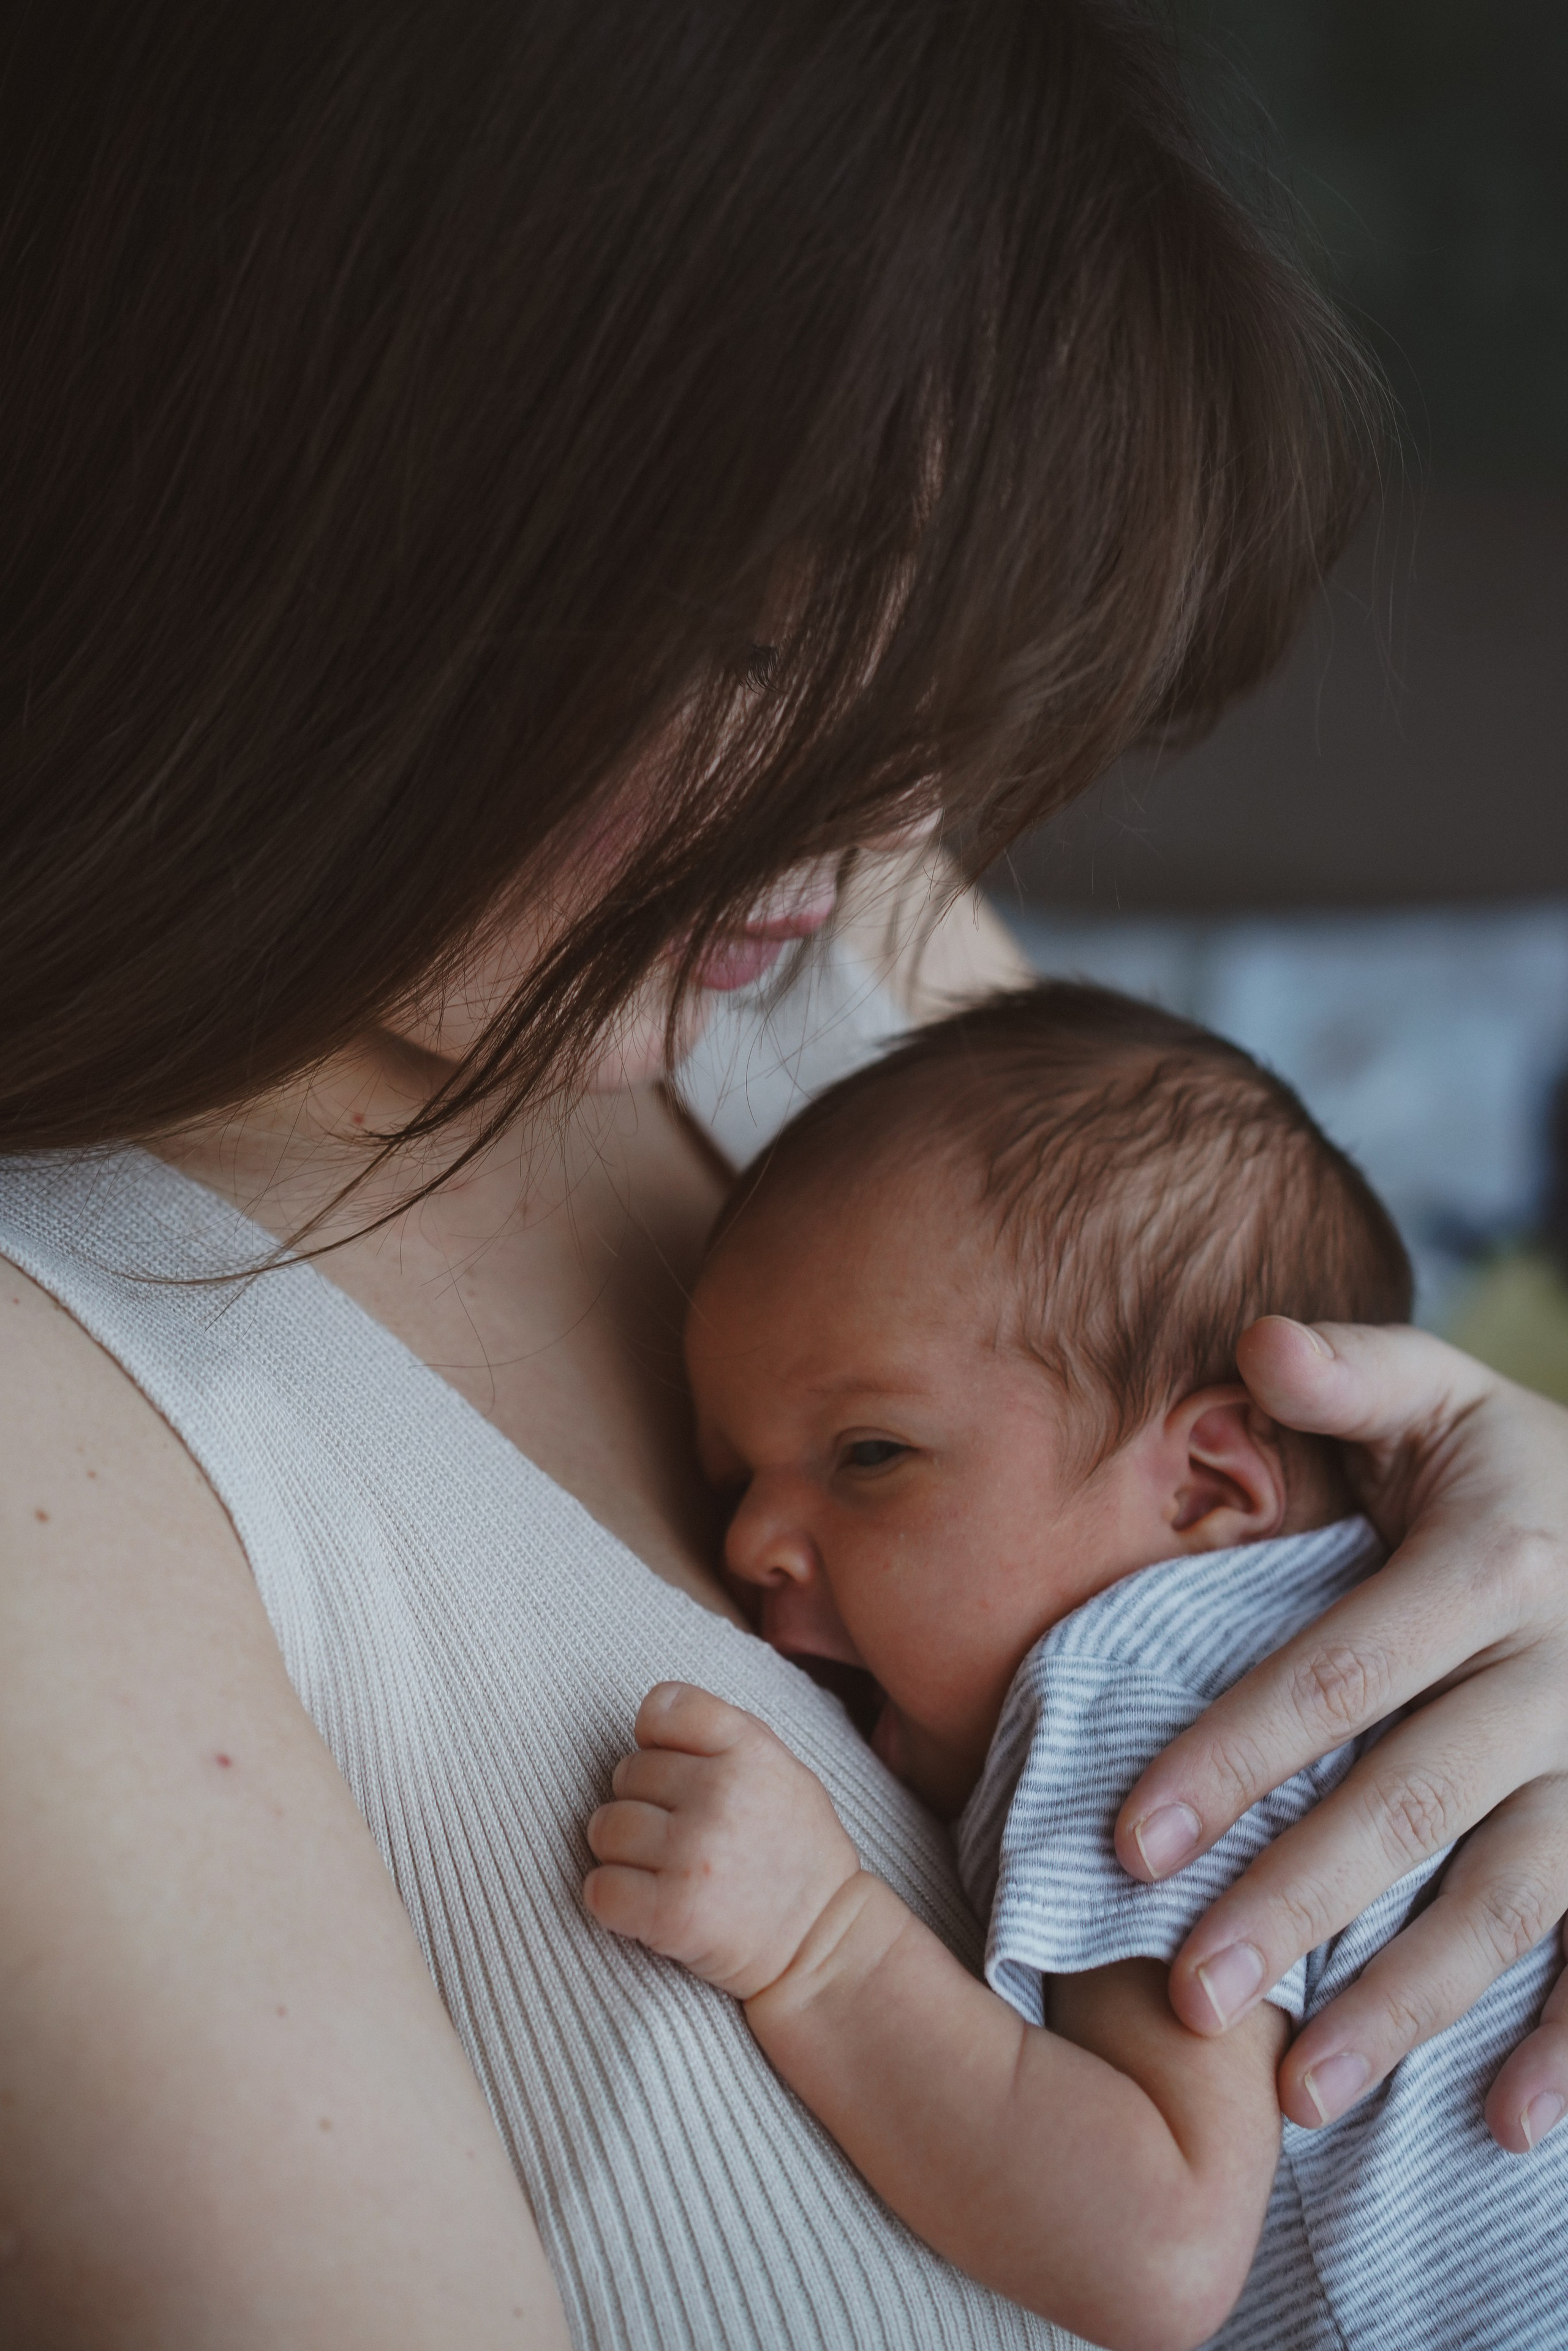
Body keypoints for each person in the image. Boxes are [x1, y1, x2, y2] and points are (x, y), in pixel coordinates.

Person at [2, 4, 1567, 2345]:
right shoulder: (64, 1437)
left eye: (934, 665)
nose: (885, 823)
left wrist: (1513, 1570)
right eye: (765, 641)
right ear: (298, 495)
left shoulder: (810, 943)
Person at [589, 983, 1565, 2350]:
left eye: (868, 1454)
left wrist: (820, 1945)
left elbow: (1158, 2239)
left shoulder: (1138, 1672)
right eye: (730, 1479)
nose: (749, 1537)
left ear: (1207, 1484)